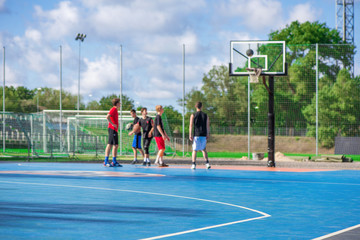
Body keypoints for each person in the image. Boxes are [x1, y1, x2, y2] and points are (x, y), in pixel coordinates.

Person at [189, 101, 211, 170]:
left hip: (196, 135)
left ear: (195, 106)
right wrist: (207, 134)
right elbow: (208, 126)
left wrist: (190, 134)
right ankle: (207, 163)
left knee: (194, 150)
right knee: (204, 149)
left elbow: (191, 125)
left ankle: (193, 164)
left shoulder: (193, 115)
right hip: (203, 134)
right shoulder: (206, 115)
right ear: (202, 107)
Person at [104, 98, 122, 167]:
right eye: (119, 103)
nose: (120, 104)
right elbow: (107, 117)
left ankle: (114, 161)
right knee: (110, 144)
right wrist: (112, 124)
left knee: (116, 145)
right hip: (112, 129)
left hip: (115, 129)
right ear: (117, 104)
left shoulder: (116, 110)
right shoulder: (113, 109)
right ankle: (106, 161)